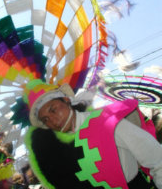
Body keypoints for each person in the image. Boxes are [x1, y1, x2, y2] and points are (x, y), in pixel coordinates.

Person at [23, 79, 162, 189]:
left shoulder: (107, 120)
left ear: (66, 100)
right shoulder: (65, 152)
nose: (52, 121)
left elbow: (157, 159)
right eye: (45, 120)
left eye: (52, 110)